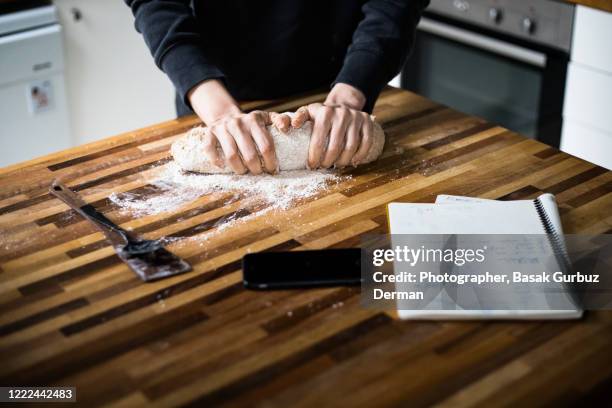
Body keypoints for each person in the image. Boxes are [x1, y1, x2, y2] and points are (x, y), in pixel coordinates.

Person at [126, 0, 428, 174]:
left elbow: (394, 3)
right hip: (213, 92)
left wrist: (349, 96)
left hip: (339, 80)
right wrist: (219, 114)